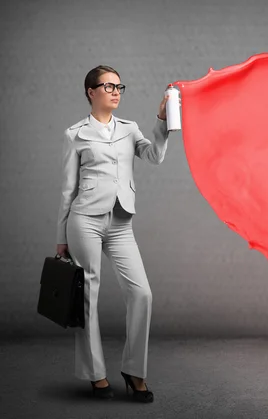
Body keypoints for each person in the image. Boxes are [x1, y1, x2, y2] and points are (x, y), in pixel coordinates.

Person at [55, 65, 176, 402]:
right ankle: (96, 375)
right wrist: (61, 236)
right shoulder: (75, 134)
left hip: (121, 222)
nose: (115, 91)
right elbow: (67, 190)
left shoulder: (130, 129)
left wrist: (162, 122)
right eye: (107, 86)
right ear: (90, 92)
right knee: (87, 295)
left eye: (119, 85)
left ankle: (134, 370)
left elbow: (154, 156)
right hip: (85, 221)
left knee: (142, 294)